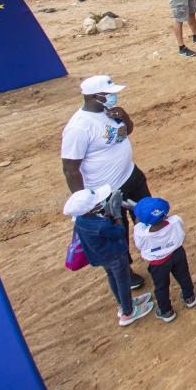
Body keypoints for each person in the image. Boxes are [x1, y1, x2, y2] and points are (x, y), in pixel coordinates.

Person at [61, 75, 153, 289]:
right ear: (94, 96)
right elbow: (70, 169)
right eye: (109, 94)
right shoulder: (78, 128)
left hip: (131, 176)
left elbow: (126, 131)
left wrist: (125, 117)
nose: (114, 97)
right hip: (107, 191)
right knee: (117, 231)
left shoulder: (109, 112)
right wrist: (86, 202)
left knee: (145, 213)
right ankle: (125, 273)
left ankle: (153, 248)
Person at [64, 185, 154, 326]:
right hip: (115, 255)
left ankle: (123, 304)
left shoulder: (81, 221)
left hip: (101, 257)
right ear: (92, 208)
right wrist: (117, 215)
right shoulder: (101, 225)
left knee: (112, 277)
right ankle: (128, 313)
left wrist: (107, 215)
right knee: (123, 281)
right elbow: (119, 232)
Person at [132, 196, 196, 323]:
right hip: (177, 254)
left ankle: (166, 311)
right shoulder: (175, 220)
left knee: (161, 286)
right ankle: (190, 297)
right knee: (184, 276)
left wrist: (139, 217)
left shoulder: (142, 233)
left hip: (159, 263)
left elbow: (139, 241)